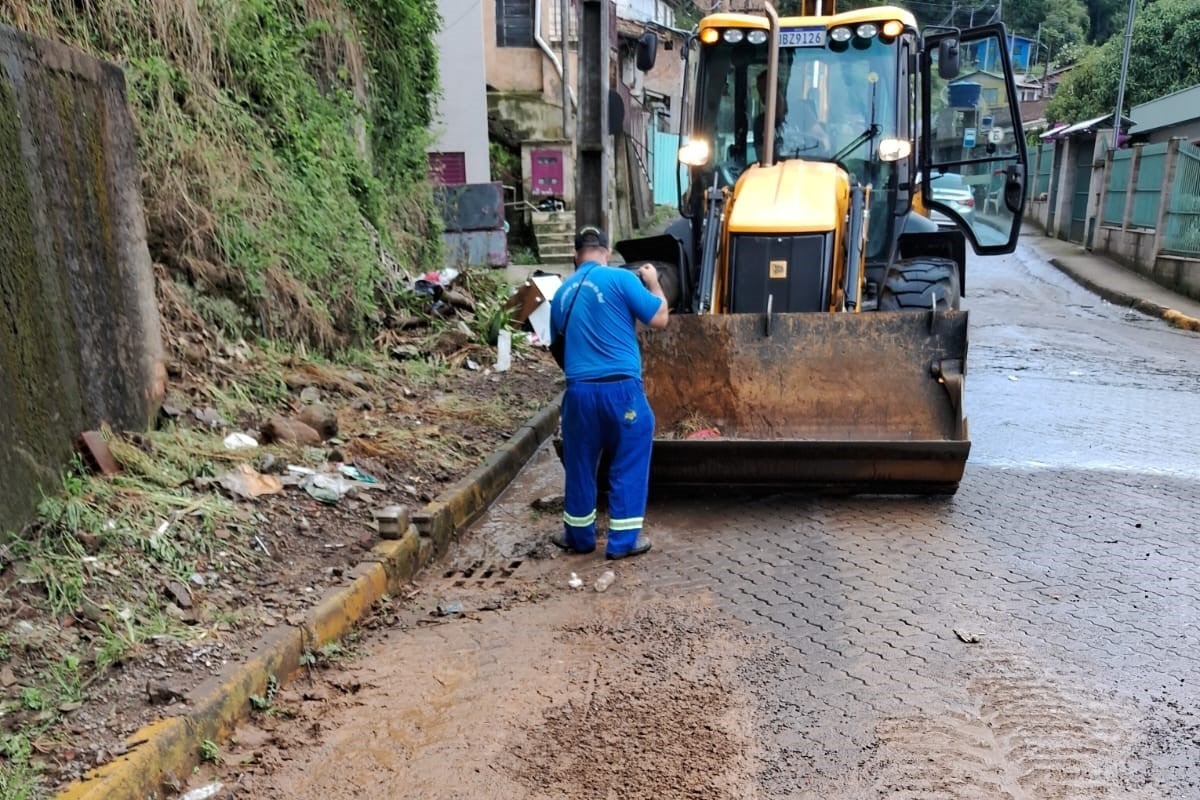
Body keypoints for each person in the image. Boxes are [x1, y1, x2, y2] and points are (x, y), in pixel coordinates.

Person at [549, 226, 670, 560]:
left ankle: (579, 537)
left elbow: (556, 346)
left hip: (580, 393)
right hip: (622, 392)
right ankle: (623, 542)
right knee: (629, 459)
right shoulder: (622, 279)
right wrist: (654, 281)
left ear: (576, 256)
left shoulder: (562, 294)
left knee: (580, 464)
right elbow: (659, 318)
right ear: (606, 251)